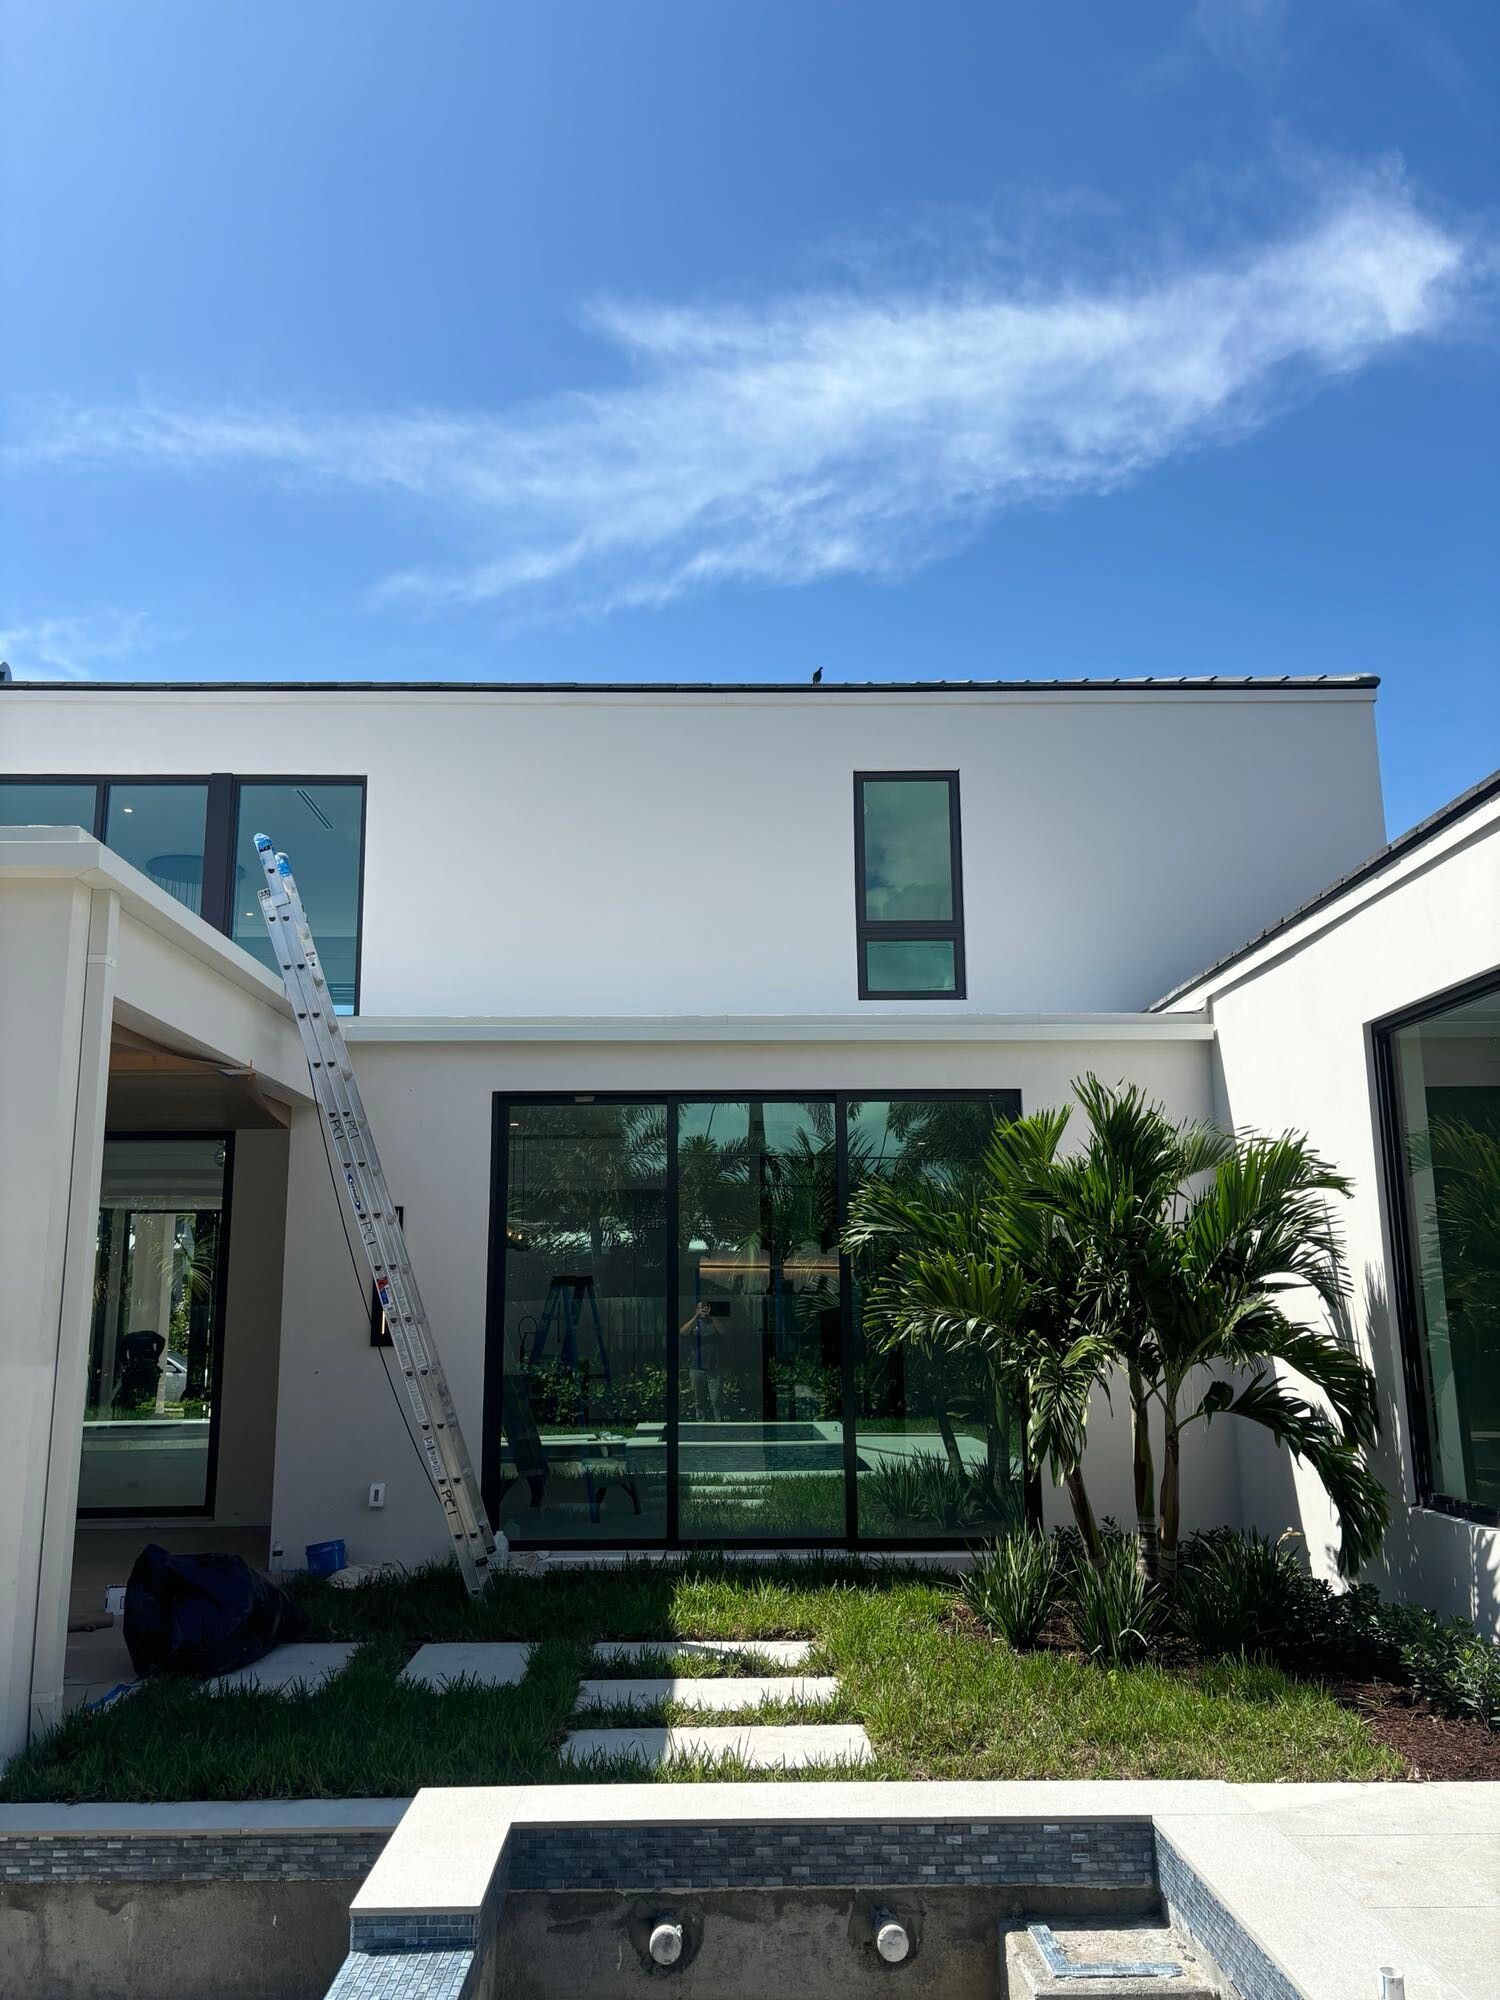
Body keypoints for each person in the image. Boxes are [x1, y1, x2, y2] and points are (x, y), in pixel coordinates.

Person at [680, 1300, 724, 1421]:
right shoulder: (693, 1323)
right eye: (700, 1308)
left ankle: (719, 1427)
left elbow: (722, 1331)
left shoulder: (714, 1322)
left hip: (714, 1367)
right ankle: (702, 1426)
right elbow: (683, 1332)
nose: (703, 1310)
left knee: (716, 1400)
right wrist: (696, 1316)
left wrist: (712, 1315)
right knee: (699, 1401)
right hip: (696, 1367)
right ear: (696, 1309)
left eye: (705, 1308)